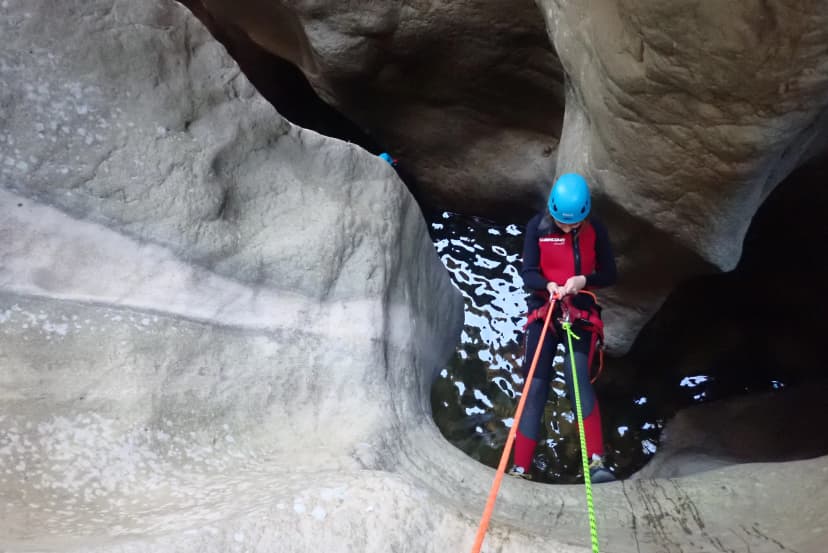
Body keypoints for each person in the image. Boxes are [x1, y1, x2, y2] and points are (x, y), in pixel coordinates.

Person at [509, 172, 617, 483]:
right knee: (536, 384)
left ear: (585, 215)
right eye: (561, 222)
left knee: (576, 377)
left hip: (579, 309)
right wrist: (549, 284)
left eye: (573, 224)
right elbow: (528, 273)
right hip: (545, 309)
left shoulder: (595, 228)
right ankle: (521, 469)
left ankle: (597, 462)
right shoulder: (537, 228)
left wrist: (584, 281)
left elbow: (610, 273)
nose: (566, 228)